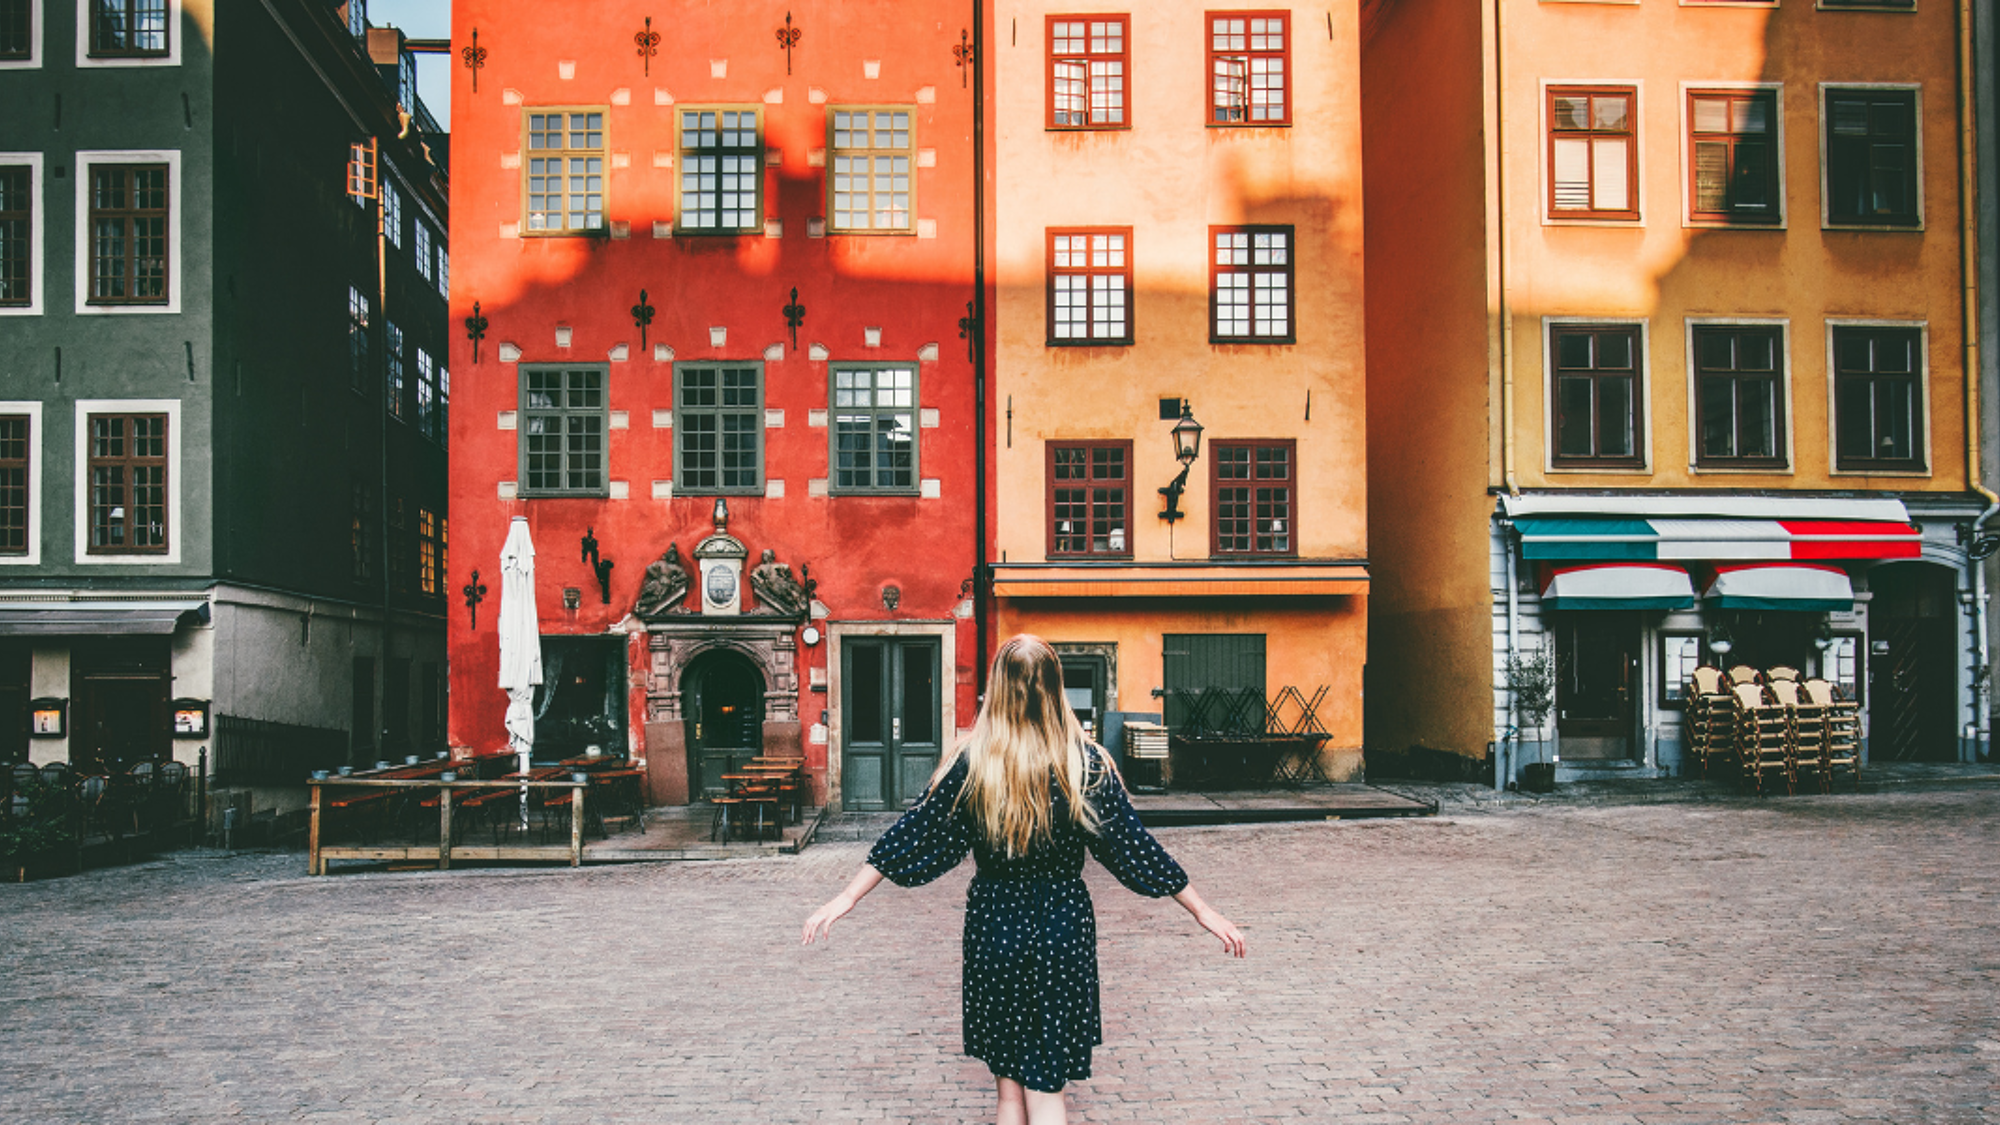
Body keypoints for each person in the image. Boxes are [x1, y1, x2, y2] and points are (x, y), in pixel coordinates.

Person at [802, 634, 1246, 1125]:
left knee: (1010, 1094)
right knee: (1047, 1088)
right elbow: (1135, 849)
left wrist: (847, 896)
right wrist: (1202, 909)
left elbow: (914, 835)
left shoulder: (973, 763)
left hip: (996, 926)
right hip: (1062, 928)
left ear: (997, 687)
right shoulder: (1084, 764)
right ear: (1056, 688)